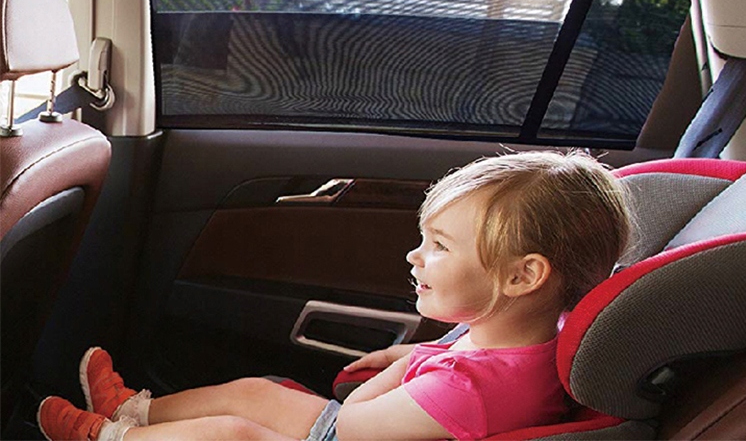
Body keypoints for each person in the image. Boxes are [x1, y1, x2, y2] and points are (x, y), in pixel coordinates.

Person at [37, 150, 631, 441]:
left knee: (235, 433)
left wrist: (397, 371)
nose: (415, 257)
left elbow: (351, 420)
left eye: (440, 247)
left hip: (352, 433)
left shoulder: (472, 390)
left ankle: (108, 437)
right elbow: (460, 359)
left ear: (523, 277)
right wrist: (409, 355)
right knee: (256, 391)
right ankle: (131, 409)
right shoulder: (524, 336)